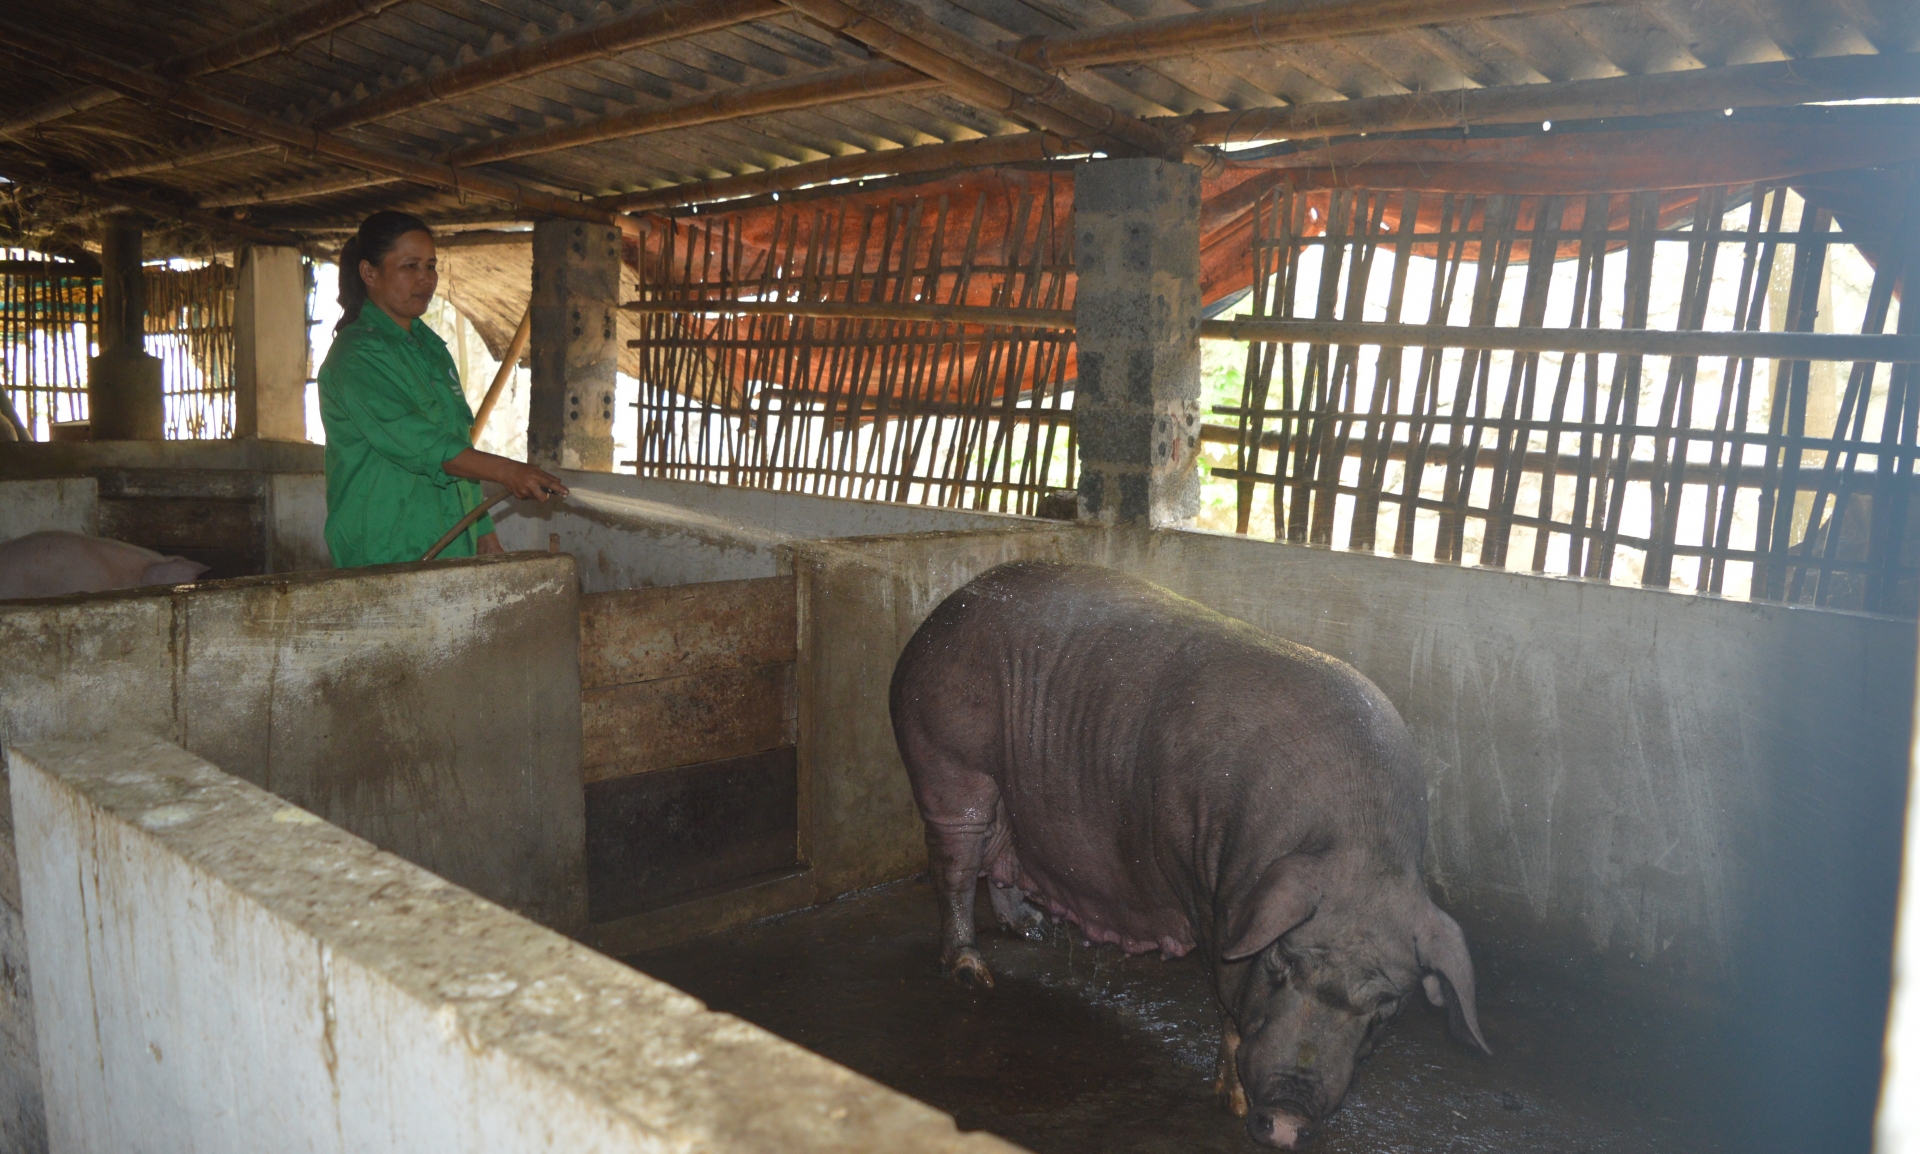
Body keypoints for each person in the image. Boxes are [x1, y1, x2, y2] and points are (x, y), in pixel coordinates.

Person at [317, 211, 567, 567]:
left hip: (447, 545)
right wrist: (509, 472)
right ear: (369, 273)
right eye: (410, 266)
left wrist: (482, 531)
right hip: (383, 553)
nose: (425, 279)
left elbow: (456, 445)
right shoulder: (356, 358)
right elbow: (426, 445)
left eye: (431, 266)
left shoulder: (431, 351)